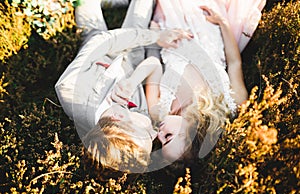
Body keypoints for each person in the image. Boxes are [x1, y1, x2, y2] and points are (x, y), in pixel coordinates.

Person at [55, 0, 193, 173]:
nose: (154, 134)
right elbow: (153, 65)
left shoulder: (69, 89)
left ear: (118, 116)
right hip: (132, 56)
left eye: (145, 133)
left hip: (100, 46)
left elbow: (101, 41)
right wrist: (133, 80)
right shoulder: (140, 118)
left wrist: (155, 37)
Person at [144, 0, 266, 162]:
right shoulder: (230, 103)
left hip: (172, 25)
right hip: (207, 25)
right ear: (191, 134)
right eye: (168, 137)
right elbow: (235, 63)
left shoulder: (158, 110)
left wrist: (157, 38)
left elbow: (154, 64)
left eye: (161, 141)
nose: (159, 135)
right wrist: (223, 23)